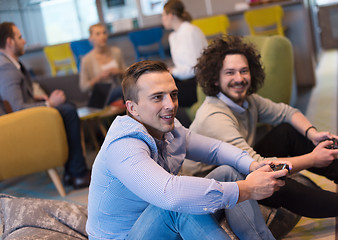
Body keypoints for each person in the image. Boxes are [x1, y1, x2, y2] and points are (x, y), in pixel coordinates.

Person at [86, 60, 291, 240]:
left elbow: (214, 149)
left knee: (228, 173)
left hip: (160, 227)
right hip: (127, 236)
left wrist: (254, 165)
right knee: (177, 207)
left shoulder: (168, 128)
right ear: (132, 108)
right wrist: (247, 189)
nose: (170, 105)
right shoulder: (124, 145)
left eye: (173, 95)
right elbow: (171, 195)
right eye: (157, 97)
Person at [183, 35, 338, 219]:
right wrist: (312, 159)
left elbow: (286, 113)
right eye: (230, 72)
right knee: (274, 181)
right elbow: (260, 167)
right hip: (215, 186)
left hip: (242, 163)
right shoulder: (214, 117)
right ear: (215, 80)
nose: (239, 78)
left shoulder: (248, 100)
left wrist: (312, 133)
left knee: (286, 132)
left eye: (244, 71)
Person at [0, 22, 90, 189]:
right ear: (10, 42)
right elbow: (17, 109)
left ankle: (74, 171)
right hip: (12, 129)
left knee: (67, 107)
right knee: (68, 110)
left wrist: (35, 98)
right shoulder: (6, 68)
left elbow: (13, 99)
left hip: (19, 121)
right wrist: (49, 103)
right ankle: (76, 173)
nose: (24, 41)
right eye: (20, 37)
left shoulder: (9, 64)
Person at [162, 0, 208, 108]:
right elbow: (183, 66)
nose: (162, 19)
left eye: (163, 15)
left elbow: (194, 69)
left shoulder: (190, 31)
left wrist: (173, 71)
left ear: (171, 15)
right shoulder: (173, 36)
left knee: (163, 98)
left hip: (197, 82)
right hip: (184, 79)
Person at [79, 23, 126, 104]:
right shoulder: (86, 59)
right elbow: (83, 87)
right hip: (100, 96)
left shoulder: (116, 52)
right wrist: (99, 77)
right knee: (123, 89)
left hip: (118, 92)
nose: (102, 36)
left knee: (124, 88)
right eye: (98, 34)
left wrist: (118, 71)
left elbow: (127, 73)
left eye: (104, 33)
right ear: (91, 38)